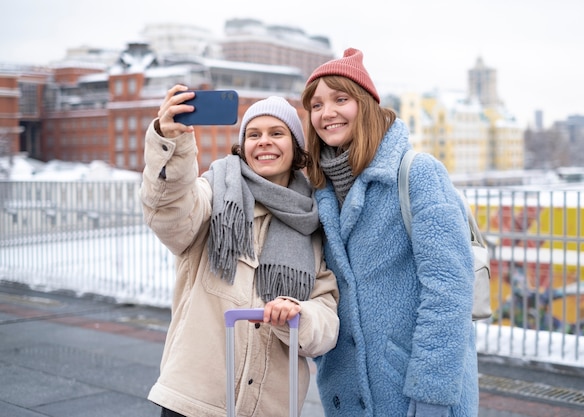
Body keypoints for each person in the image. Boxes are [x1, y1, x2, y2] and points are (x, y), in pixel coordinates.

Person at [140, 85, 340, 417]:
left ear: (297, 148)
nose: (264, 141)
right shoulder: (214, 191)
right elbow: (169, 214)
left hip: (269, 407)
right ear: (243, 145)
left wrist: (297, 315)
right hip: (194, 401)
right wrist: (171, 144)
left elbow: (326, 318)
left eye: (277, 133)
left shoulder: (313, 222)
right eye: (254, 134)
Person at [300, 48, 479, 416]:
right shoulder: (321, 192)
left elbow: (449, 288)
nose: (326, 113)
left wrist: (431, 396)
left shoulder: (416, 173)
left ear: (365, 105)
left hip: (413, 394)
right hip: (348, 394)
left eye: (340, 99)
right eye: (316, 105)